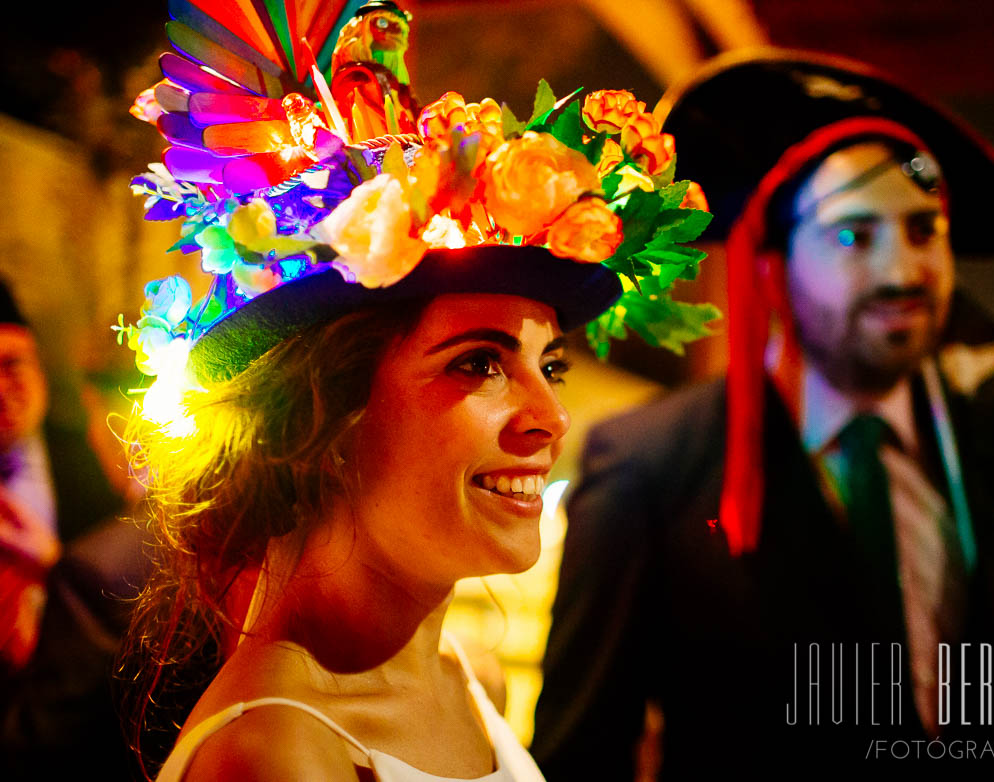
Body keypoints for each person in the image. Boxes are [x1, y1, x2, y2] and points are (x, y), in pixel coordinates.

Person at [117, 3, 714, 780]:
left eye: (550, 363)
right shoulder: (278, 755)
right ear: (321, 421)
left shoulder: (471, 680)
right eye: (479, 363)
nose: (551, 417)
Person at [532, 49, 994, 778]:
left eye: (923, 230)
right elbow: (581, 754)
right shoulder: (649, 466)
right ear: (772, 263)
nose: (901, 271)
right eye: (852, 235)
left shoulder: (980, 445)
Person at [0, 277, 145, 777]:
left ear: (39, 363)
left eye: (10, 364)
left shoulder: (103, 455)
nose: (0, 391)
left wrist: (55, 567)